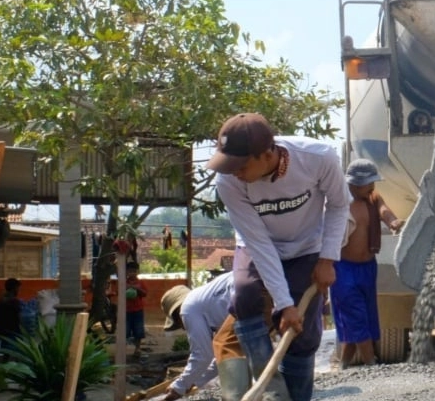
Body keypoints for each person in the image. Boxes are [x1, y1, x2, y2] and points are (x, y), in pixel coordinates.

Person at [208, 112, 349, 401]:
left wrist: (327, 259)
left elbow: (338, 205)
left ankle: (296, 396)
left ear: (267, 153)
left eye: (241, 164)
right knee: (245, 294)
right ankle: (272, 388)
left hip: (307, 248)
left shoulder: (318, 158)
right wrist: (284, 304)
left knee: (303, 332)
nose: (234, 171)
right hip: (258, 246)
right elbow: (259, 244)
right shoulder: (229, 182)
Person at [332, 159, 404, 369]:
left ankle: (344, 364)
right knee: (355, 315)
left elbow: (385, 212)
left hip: (367, 267)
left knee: (366, 315)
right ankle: (371, 363)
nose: (372, 187)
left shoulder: (373, 198)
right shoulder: (339, 203)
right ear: (353, 184)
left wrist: (393, 221)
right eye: (368, 183)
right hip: (343, 268)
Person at [159, 272, 235, 401]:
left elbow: (203, 356)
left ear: (178, 315)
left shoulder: (188, 309)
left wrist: (180, 386)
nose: (183, 328)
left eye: (179, 324)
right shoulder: (211, 306)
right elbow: (223, 355)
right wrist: (194, 380)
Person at [123, 261, 149, 357]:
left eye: (134, 271)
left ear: (137, 272)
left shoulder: (140, 283)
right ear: (126, 272)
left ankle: (137, 349)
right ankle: (123, 350)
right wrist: (127, 288)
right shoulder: (123, 283)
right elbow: (119, 292)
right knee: (125, 330)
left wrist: (136, 289)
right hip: (126, 311)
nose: (132, 273)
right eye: (130, 271)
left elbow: (145, 293)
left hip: (138, 310)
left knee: (138, 330)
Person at [0, 278, 22, 355]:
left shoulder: (0, 300)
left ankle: (3, 365)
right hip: (13, 331)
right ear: (14, 289)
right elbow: (18, 318)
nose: (19, 291)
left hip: (3, 330)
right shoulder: (14, 301)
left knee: (5, 351)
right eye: (18, 289)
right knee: (18, 352)